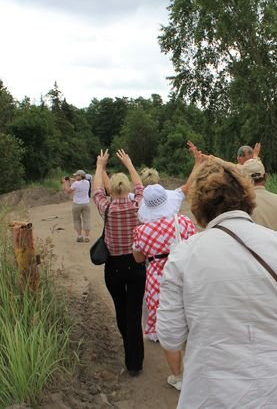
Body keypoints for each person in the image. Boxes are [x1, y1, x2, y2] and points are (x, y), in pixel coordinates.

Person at [156, 157, 277, 408]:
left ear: (199, 207)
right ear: (248, 198)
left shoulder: (183, 256)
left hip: (212, 394)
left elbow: (171, 336)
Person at [132, 184, 197, 390]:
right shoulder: (183, 222)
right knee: (193, 322)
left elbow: (138, 258)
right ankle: (197, 371)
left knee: (169, 327)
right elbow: (196, 247)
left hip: (159, 280)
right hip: (187, 275)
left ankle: (177, 377)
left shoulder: (140, 231)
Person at [92, 149, 146, 377]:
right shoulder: (137, 207)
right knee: (134, 313)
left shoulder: (107, 208)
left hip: (113, 267)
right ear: (128, 189)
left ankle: (129, 346)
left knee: (121, 309)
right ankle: (135, 361)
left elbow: (96, 190)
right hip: (136, 265)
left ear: (111, 190)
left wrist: (99, 166)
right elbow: (141, 187)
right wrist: (130, 163)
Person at [62, 169, 91, 242]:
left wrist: (65, 182)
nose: (75, 177)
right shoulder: (87, 182)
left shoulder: (76, 184)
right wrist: (71, 180)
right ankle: (87, 237)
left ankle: (79, 236)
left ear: (79, 176)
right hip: (86, 203)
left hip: (77, 203)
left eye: (76, 175)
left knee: (77, 220)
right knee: (86, 220)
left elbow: (68, 191)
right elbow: (78, 181)